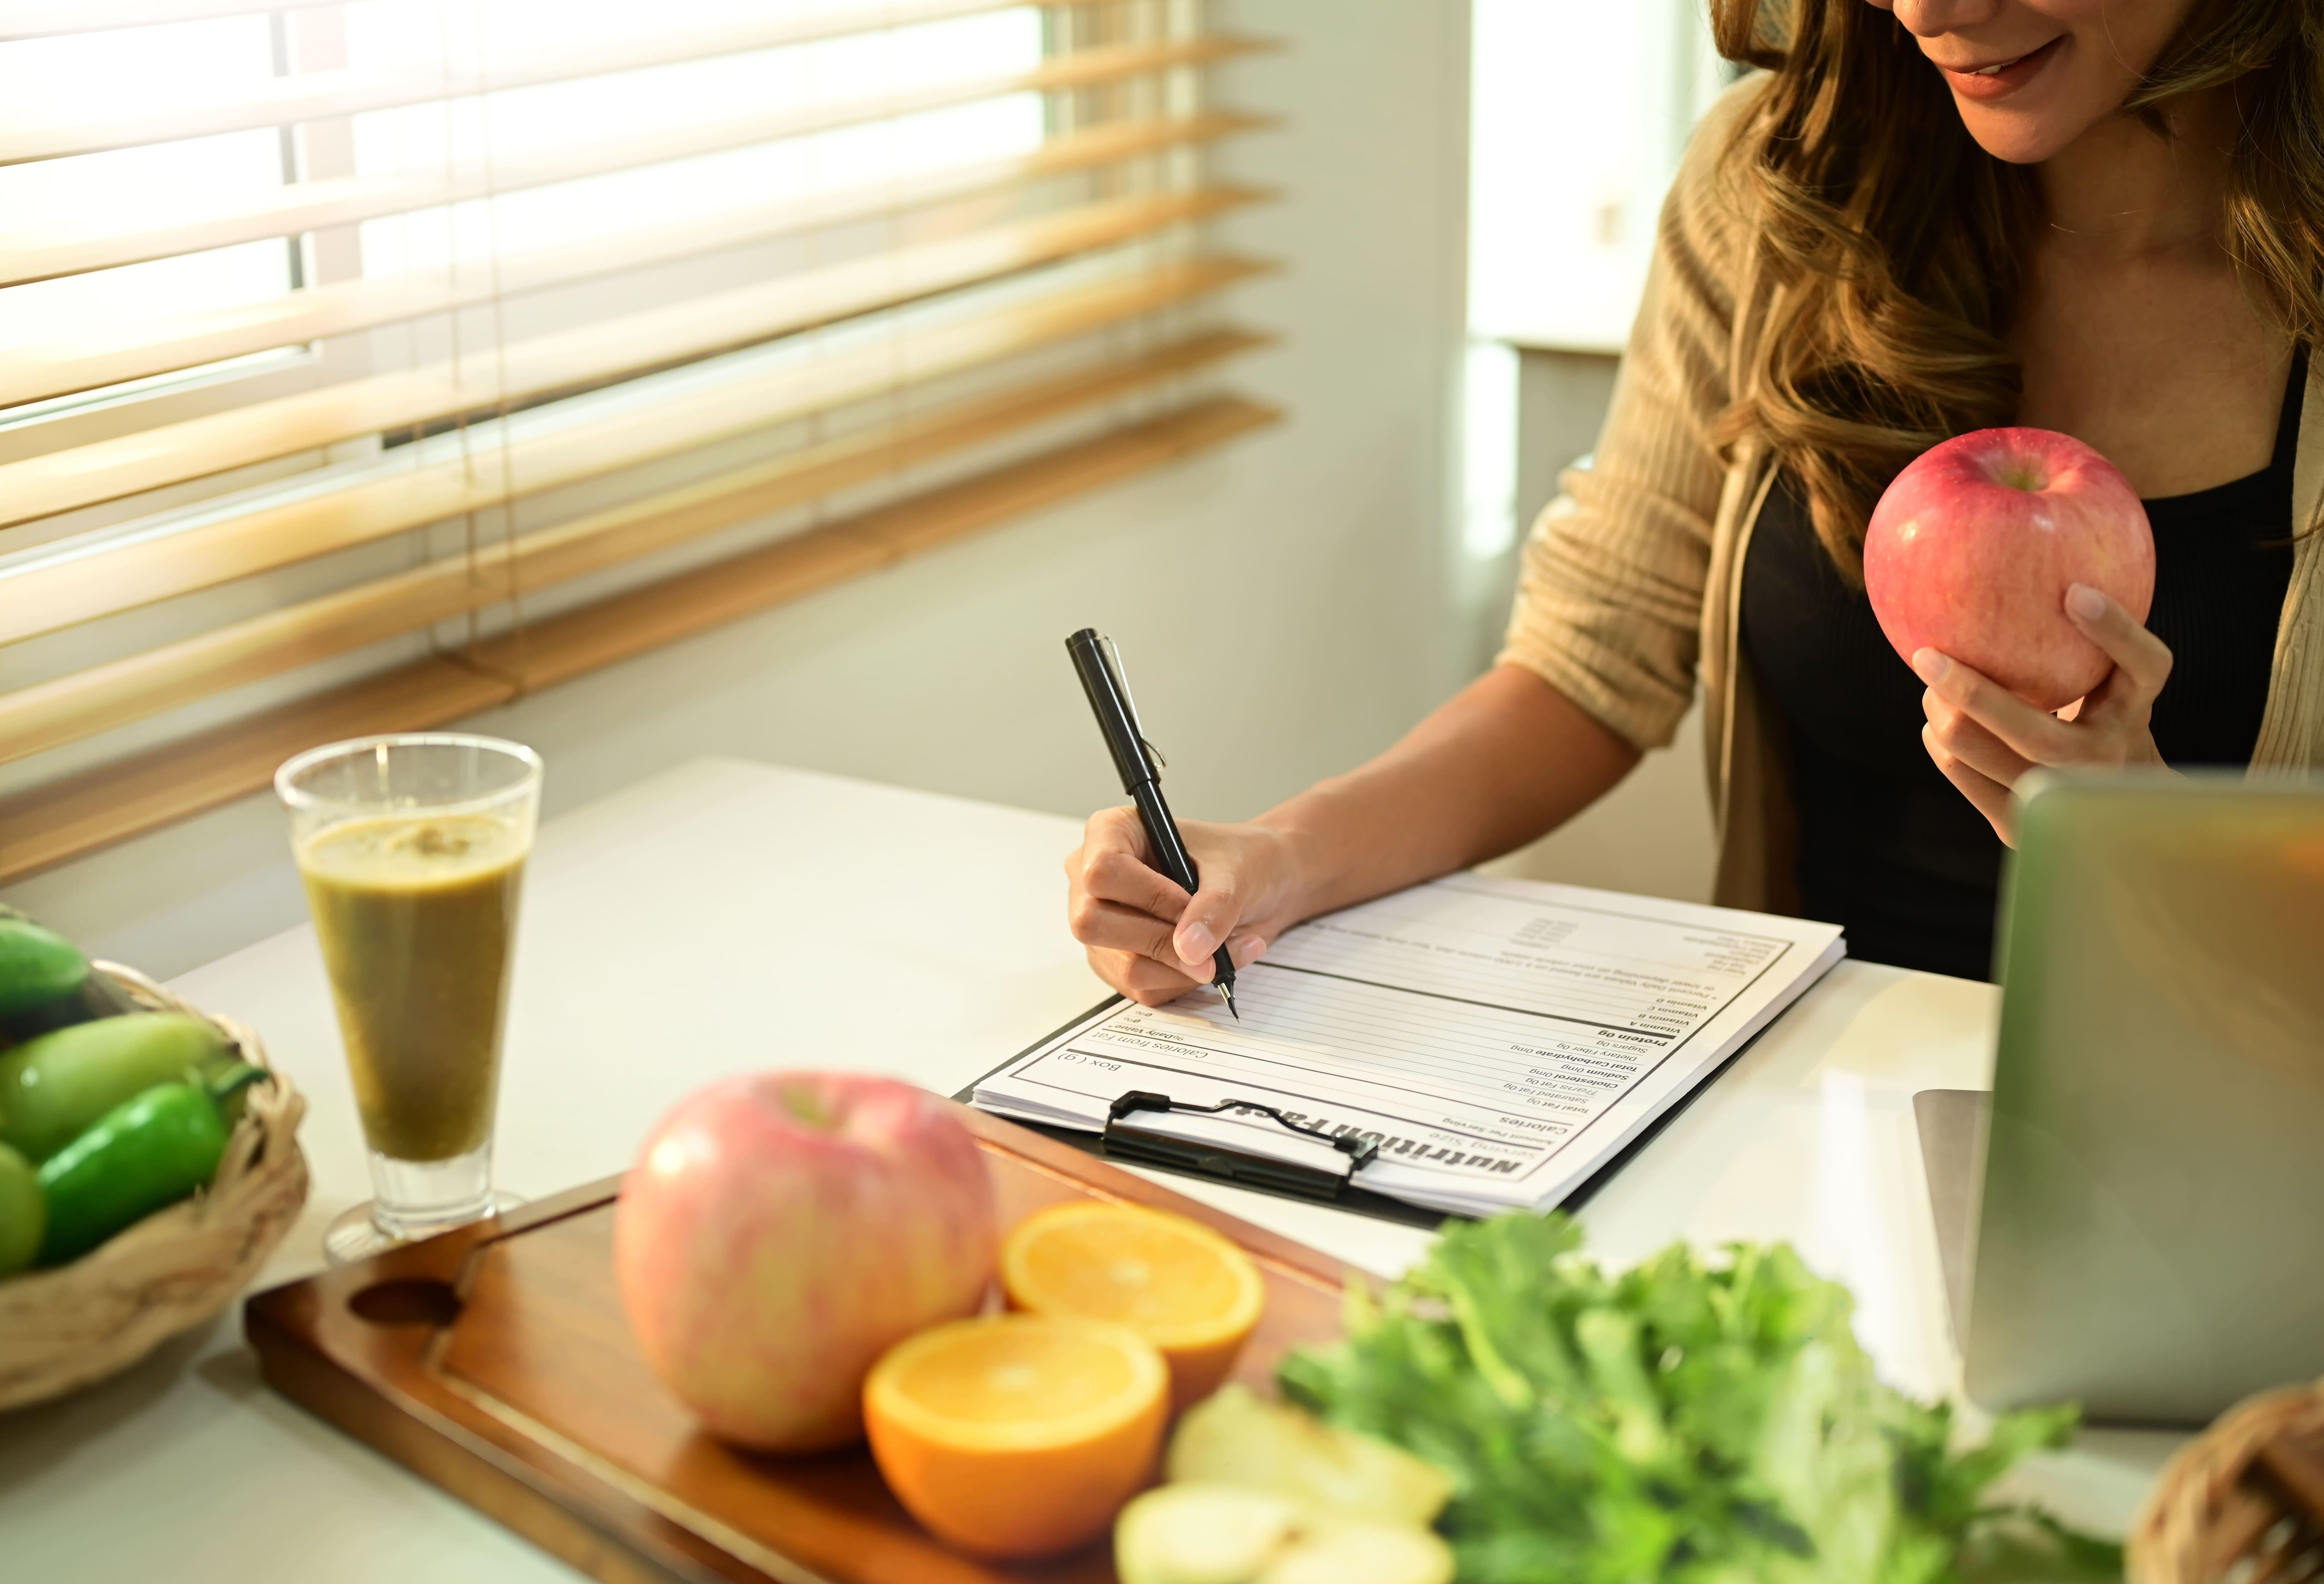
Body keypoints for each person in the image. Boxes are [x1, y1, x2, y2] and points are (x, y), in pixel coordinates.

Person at [1066, 0, 2324, 997]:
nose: (1931, 9)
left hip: (2231, 1113)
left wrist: (2148, 846)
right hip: (1810, 1103)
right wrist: (1275, 862)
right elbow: (1592, 655)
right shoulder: (1787, 181)